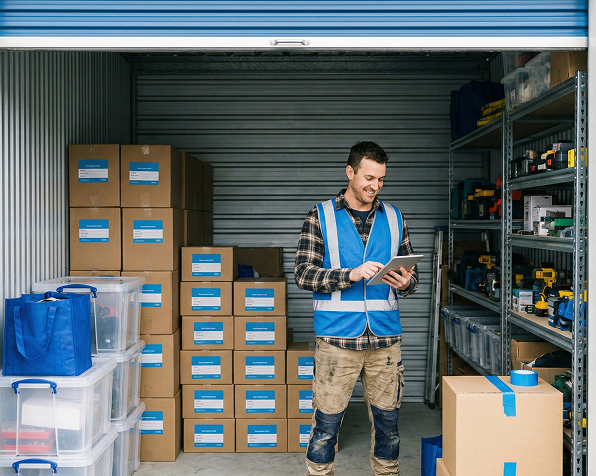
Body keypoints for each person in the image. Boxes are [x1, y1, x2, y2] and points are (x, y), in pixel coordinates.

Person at [294, 141, 419, 476]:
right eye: (368, 178)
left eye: (381, 180)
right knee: (325, 428)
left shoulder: (394, 217)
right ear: (349, 172)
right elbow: (303, 274)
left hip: (385, 342)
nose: (375, 186)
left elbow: (412, 276)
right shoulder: (319, 216)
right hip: (337, 343)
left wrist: (407, 283)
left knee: (389, 427)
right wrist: (348, 274)